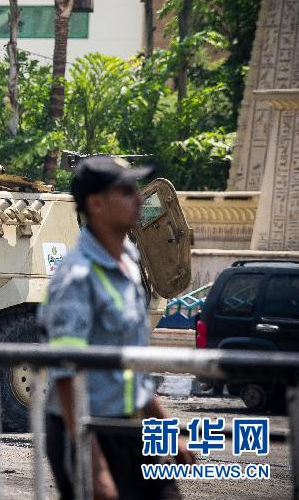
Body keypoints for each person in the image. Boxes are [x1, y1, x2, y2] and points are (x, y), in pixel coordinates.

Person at [39, 156, 194, 500]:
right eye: (125, 191)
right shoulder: (76, 278)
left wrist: (169, 433)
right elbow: (66, 376)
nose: (138, 199)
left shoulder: (129, 261)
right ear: (96, 204)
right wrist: (94, 469)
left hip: (129, 427)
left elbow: (134, 371)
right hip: (85, 432)